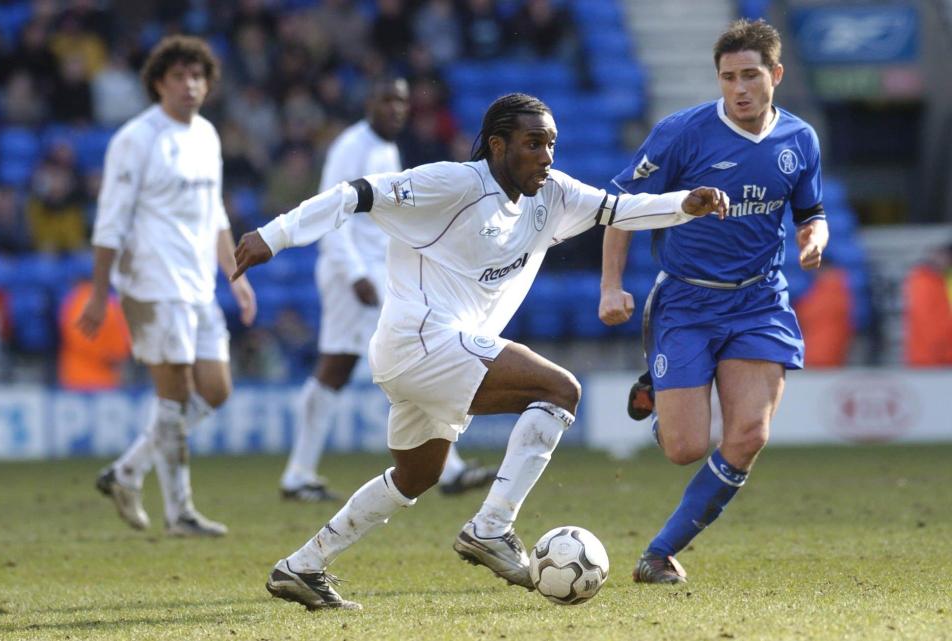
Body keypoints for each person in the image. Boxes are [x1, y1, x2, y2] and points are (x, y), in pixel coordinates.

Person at [232, 92, 729, 610]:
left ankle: (303, 566)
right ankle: (492, 527)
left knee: (417, 475)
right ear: (497, 145)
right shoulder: (454, 183)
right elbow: (356, 193)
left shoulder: (553, 194)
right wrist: (276, 234)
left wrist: (682, 204)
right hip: (419, 339)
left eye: (551, 144)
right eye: (533, 144)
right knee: (560, 390)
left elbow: (616, 209)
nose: (546, 155)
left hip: (432, 355)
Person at [599, 19, 829, 584]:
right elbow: (619, 206)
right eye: (728, 78)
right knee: (685, 447)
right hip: (685, 301)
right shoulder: (682, 133)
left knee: (748, 436)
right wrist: (611, 285)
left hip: (758, 302)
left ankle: (658, 553)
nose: (740, 88)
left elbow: (811, 212)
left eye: (751, 75)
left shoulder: (799, 139)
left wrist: (813, 238)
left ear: (776, 74)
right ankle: (659, 390)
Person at [279, 76, 497, 502]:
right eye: (387, 99)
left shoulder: (386, 148)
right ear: (369, 102)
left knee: (355, 366)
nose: (396, 108)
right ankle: (300, 473)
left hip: (379, 275)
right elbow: (332, 211)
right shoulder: (351, 146)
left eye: (401, 100)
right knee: (350, 365)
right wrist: (355, 273)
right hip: (354, 277)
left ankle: (300, 473)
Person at [77, 35, 257, 537]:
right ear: (158, 83)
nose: (190, 85)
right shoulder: (136, 139)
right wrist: (98, 292)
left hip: (198, 283)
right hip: (152, 284)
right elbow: (110, 219)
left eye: (197, 76)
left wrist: (234, 275)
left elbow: (216, 213)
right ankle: (180, 513)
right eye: (178, 76)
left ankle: (127, 470)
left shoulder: (207, 135)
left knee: (216, 390)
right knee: (174, 395)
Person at [59, 280, 131, 390]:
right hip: (105, 380)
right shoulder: (112, 306)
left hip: (73, 376)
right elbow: (120, 350)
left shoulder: (72, 300)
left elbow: (65, 333)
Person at [904, 242, 952, 366]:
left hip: (941, 353)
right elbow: (927, 320)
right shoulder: (923, 280)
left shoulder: (940, 280)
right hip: (929, 356)